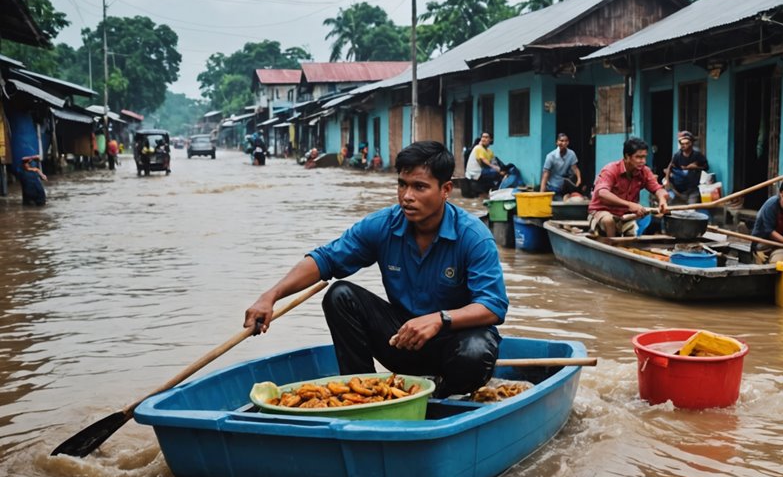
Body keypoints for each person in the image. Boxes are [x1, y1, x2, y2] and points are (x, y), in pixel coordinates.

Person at [244, 141, 508, 398]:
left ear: (446, 189)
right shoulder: (383, 225)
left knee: (476, 351)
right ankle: (363, 394)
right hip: (402, 342)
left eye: (419, 187)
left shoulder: (473, 236)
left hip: (451, 346)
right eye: (402, 185)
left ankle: (443, 396)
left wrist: (439, 319)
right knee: (340, 295)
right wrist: (271, 296)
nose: (407, 196)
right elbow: (325, 259)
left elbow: (493, 306)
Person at [587, 137, 669, 237]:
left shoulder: (644, 171)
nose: (642, 161)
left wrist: (662, 200)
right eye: (638, 157)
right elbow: (603, 193)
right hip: (601, 212)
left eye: (644, 157)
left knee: (636, 233)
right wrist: (629, 205)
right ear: (627, 157)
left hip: (625, 216)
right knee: (609, 221)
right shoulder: (611, 169)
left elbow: (658, 189)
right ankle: (611, 248)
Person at [663, 130, 708, 208]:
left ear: (691, 143)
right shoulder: (677, 155)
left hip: (692, 189)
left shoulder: (697, 155)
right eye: (682, 144)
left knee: (691, 210)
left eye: (687, 143)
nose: (684, 146)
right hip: (678, 189)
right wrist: (667, 180)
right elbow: (670, 166)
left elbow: (706, 167)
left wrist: (695, 167)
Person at [540, 133, 585, 201]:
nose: (563, 143)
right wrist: (541, 194)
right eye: (561, 141)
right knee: (560, 202)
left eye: (565, 141)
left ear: (568, 142)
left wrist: (579, 179)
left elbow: (575, 168)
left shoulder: (571, 154)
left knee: (577, 198)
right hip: (553, 187)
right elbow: (545, 175)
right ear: (557, 142)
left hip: (564, 186)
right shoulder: (550, 156)